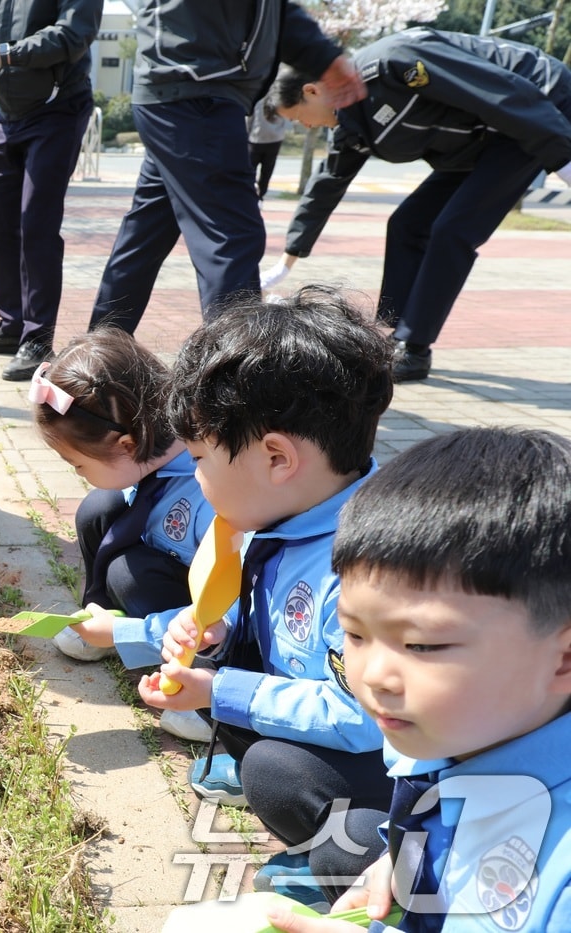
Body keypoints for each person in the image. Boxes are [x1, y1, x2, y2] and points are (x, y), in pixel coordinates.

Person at [65, 287, 396, 907]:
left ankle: (353, 868)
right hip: (310, 710)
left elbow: (362, 718)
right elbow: (239, 611)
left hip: (388, 764)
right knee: (249, 715)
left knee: (278, 773)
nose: (194, 478)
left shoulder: (365, 571)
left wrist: (220, 691)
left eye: (198, 458)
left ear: (276, 457)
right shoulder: (277, 518)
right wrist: (201, 629)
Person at [269, 426, 571, 932]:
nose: (374, 675)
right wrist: (399, 859)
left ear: (563, 660)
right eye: (355, 634)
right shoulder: (450, 734)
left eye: (423, 645)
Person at [259, 28, 571, 384]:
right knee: (407, 223)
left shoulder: (396, 60)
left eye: (300, 117)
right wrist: (288, 260)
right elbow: (326, 186)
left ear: (313, 91)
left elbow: (499, 91)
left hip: (535, 107)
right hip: (485, 138)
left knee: (453, 230)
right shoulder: (348, 122)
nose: (306, 125)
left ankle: (415, 347)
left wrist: (562, 157)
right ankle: (393, 337)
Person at [86, 1, 366, 333]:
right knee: (233, 237)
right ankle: (236, 377)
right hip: (196, 85)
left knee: (145, 236)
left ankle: (94, 363)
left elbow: (271, 10)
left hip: (184, 82)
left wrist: (324, 58)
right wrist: (323, 56)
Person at [29, 330, 218, 743]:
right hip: (172, 563)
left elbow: (231, 613)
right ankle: (99, 621)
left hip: (214, 621)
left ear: (127, 445)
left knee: (129, 575)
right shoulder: (153, 453)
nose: (75, 472)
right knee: (100, 508)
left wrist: (132, 632)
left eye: (77, 464)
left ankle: (203, 693)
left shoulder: (214, 495)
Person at [0, 0, 103, 381]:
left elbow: (73, 34)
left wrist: (2, 55)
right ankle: (12, 324)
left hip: (57, 108)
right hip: (6, 114)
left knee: (36, 224)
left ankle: (37, 338)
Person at [248, 98, 289, 199]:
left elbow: (250, 118)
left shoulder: (258, 97)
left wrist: (247, 134)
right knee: (266, 171)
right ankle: (260, 195)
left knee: (251, 169)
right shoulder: (280, 96)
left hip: (257, 138)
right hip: (274, 138)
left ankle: (252, 194)